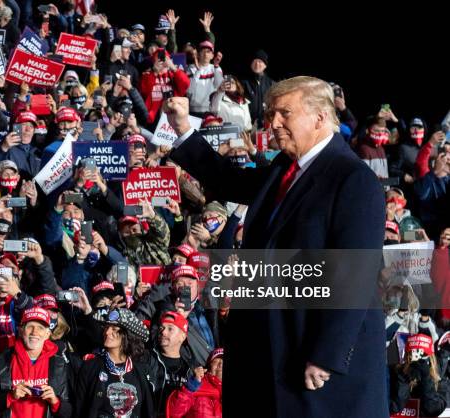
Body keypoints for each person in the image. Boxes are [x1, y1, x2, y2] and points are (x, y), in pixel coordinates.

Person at [163, 76, 387, 417]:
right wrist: (182, 127)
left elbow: (355, 276)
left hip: (314, 362)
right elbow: (228, 180)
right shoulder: (284, 167)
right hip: (268, 354)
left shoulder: (353, 179)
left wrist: (326, 354)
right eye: (270, 114)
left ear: (320, 117)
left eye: (285, 113)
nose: (274, 123)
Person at [0, 306, 72, 418]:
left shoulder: (58, 364)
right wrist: (10, 396)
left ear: (47, 334)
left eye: (40, 328)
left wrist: (55, 401)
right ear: (21, 331)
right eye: (30, 326)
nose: (34, 332)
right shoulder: (3, 361)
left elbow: (68, 413)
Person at [73, 308, 154, 418]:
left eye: (114, 329)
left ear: (127, 335)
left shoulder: (142, 372)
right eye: (106, 327)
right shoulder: (90, 367)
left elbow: (148, 412)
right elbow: (79, 411)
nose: (107, 332)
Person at [166, 348, 223, 418]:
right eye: (216, 361)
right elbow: (174, 412)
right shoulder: (195, 384)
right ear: (209, 366)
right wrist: (191, 387)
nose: (221, 364)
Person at [241, 50, 275, 127]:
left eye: (260, 61)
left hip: (267, 124)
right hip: (248, 125)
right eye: (254, 61)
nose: (257, 64)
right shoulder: (244, 83)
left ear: (265, 65)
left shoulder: (272, 83)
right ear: (251, 64)